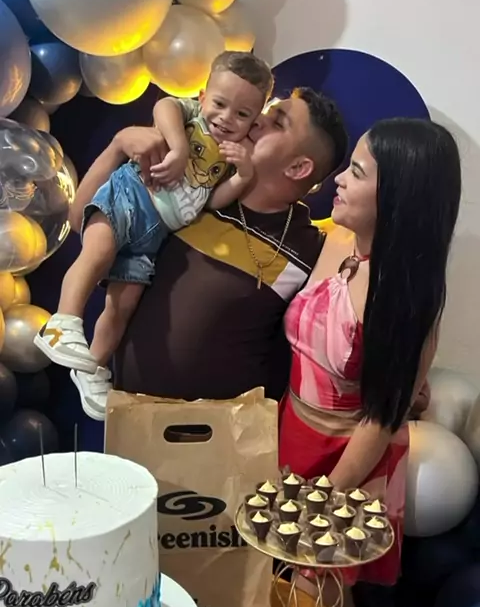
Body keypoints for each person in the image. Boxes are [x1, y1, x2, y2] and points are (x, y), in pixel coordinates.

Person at [63, 87, 348, 419]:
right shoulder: (193, 186)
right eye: (266, 111)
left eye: (277, 122)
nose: (257, 120)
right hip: (128, 420)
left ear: (298, 167)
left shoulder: (310, 249)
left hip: (223, 439)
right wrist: (117, 146)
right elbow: (80, 220)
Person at [34, 51, 274, 417]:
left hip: (156, 232)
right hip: (131, 195)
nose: (227, 118)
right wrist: (178, 147)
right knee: (96, 254)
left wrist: (242, 176)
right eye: (220, 104)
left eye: (242, 114)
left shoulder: (232, 154)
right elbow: (164, 106)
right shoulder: (192, 117)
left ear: (254, 120)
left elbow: (210, 201)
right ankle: (62, 322)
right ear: (203, 97)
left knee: (123, 304)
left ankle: (92, 367)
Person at [278, 117, 462, 586]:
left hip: (349, 461)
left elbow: (381, 420)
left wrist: (326, 496)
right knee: (276, 580)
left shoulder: (407, 297)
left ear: (398, 197)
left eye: (357, 172)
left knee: (315, 592)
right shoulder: (337, 240)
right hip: (291, 433)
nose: (338, 179)